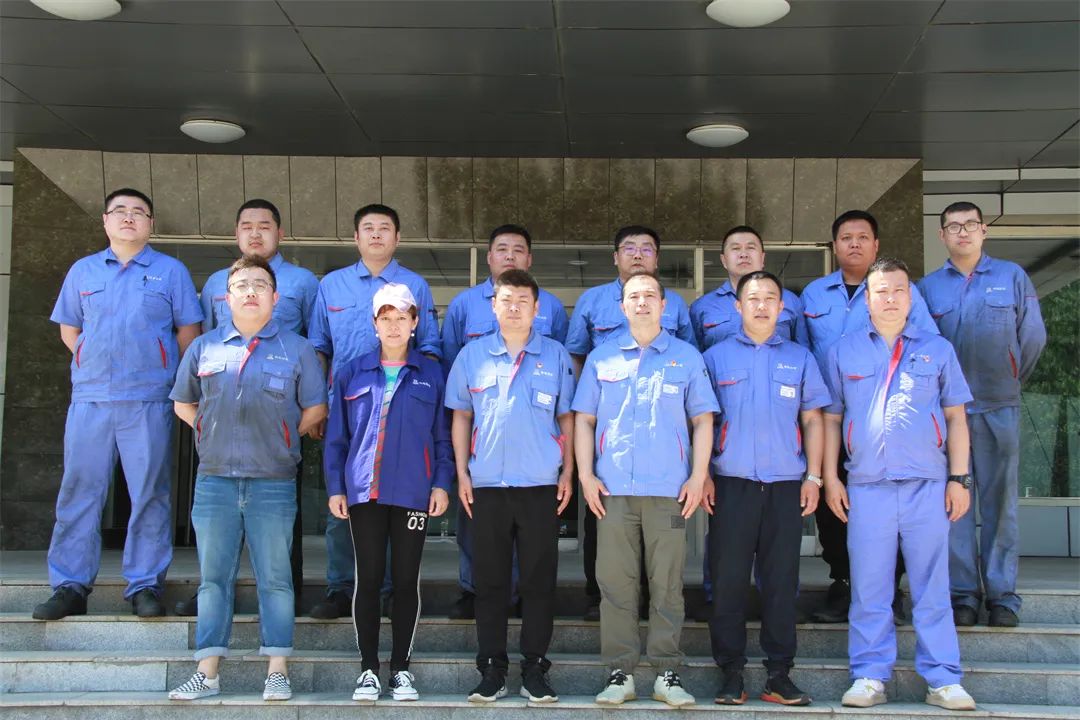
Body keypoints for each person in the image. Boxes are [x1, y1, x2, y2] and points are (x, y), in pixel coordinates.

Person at [34, 188, 202, 622]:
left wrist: (163, 372)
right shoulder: (83, 270)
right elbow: (70, 330)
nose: (129, 218)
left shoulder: (171, 271)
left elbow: (188, 333)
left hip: (147, 399)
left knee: (149, 493)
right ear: (105, 221)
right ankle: (70, 585)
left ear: (151, 224)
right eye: (120, 211)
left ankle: (144, 585)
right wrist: (91, 360)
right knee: (79, 491)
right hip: (91, 399)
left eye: (139, 212)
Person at [167, 256, 328, 702]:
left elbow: (316, 407)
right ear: (227, 297)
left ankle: (277, 670)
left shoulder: (297, 348)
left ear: (275, 297)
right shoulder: (205, 347)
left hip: (273, 481)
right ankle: (207, 672)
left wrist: (279, 435)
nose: (251, 291)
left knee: (275, 578)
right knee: (212, 579)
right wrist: (208, 431)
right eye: (242, 285)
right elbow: (183, 402)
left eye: (260, 284)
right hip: (215, 481)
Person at [823, 257, 976, 712]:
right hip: (867, 486)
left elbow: (956, 418)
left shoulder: (937, 349)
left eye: (898, 290)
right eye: (881, 291)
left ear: (910, 298)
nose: (890, 298)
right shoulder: (843, 351)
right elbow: (830, 420)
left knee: (932, 586)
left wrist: (959, 478)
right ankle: (869, 675)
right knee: (870, 587)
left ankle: (943, 678)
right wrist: (830, 477)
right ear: (866, 300)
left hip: (927, 485)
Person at [573, 271, 717, 708]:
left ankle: (666, 672)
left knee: (667, 584)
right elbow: (584, 420)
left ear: (663, 305)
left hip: (669, 491)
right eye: (633, 296)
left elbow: (703, 420)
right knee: (616, 584)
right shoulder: (602, 358)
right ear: (622, 306)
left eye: (649, 295)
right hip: (613, 490)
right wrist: (585, 476)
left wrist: (698, 475)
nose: (641, 302)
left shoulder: (686, 357)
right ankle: (620, 672)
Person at [176, 198, 319, 618]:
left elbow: (316, 342)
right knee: (218, 523)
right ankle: (211, 595)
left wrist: (297, 421)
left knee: (280, 523)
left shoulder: (304, 281)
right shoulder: (217, 281)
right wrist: (206, 424)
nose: (255, 233)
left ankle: (286, 595)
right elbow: (207, 344)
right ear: (236, 233)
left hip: (278, 419)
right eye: (247, 226)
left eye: (264, 225)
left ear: (280, 233)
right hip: (223, 425)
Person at [800, 209, 938, 624]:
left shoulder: (900, 291)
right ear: (834, 246)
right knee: (833, 505)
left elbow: (926, 343)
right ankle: (843, 583)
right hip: (828, 418)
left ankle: (889, 590)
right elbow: (802, 353)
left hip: (883, 420)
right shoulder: (814, 294)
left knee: (888, 508)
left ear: (876, 245)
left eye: (863, 237)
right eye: (846, 237)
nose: (854, 244)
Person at [445, 269, 575, 704]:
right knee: (490, 583)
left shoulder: (555, 355)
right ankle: (492, 669)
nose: (514, 307)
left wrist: (568, 472)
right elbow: (461, 416)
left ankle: (535, 668)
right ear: (494, 306)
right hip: (487, 485)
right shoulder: (472, 355)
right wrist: (462, 473)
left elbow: (567, 418)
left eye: (523, 300)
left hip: (540, 485)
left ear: (537, 309)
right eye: (507, 300)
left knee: (539, 581)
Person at [307, 203, 441, 620]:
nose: (377, 234)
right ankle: (340, 588)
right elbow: (319, 348)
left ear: (398, 238)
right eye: (368, 228)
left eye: (385, 228)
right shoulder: (332, 285)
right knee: (345, 501)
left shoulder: (415, 285)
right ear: (356, 237)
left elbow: (430, 348)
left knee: (395, 502)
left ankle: (387, 592)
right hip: (350, 410)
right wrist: (319, 406)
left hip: (403, 410)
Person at [701, 270, 828, 706]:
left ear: (781, 307)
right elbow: (702, 422)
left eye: (770, 298)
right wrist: (703, 474)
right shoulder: (714, 358)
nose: (761, 305)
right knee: (728, 581)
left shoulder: (800, 358)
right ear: (738, 306)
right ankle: (730, 672)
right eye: (753, 298)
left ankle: (779, 674)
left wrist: (814, 476)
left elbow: (813, 420)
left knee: (781, 582)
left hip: (785, 486)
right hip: (731, 485)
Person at [919, 201, 1046, 628]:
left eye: (970, 225)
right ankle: (963, 595)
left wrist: (1010, 377)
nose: (963, 232)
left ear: (984, 230)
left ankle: (1002, 596)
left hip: (999, 406)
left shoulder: (1011, 276)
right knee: (953, 504)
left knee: (1000, 503)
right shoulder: (928, 288)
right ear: (941, 235)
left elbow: (1033, 336)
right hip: (946, 413)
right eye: (953, 226)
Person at [324, 283, 453, 702]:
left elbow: (443, 437)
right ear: (374, 324)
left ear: (414, 323)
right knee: (368, 579)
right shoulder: (352, 372)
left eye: (401, 318)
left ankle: (401, 669)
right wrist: (335, 487)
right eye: (386, 318)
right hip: (365, 493)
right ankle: (368, 669)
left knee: (405, 580)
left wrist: (441, 482)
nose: (394, 325)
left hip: (413, 492)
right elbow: (337, 439)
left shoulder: (432, 374)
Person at [566, 225, 697, 621]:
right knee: (603, 525)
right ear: (615, 257)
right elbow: (577, 358)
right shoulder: (591, 301)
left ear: (657, 258)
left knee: (658, 540)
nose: (638, 254)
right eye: (629, 248)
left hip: (660, 441)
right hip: (611, 432)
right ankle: (599, 598)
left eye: (646, 248)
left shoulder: (676, 305)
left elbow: (688, 361)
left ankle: (648, 604)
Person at [440, 224, 569, 620]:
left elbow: (562, 385)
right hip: (484, 448)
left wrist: (567, 468)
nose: (510, 255)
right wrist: (460, 465)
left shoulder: (552, 309)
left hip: (536, 460)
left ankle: (525, 597)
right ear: (489, 257)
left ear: (529, 258)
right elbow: (452, 368)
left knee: (533, 545)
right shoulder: (464, 305)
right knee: (476, 530)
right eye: (501, 248)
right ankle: (472, 589)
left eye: (518, 249)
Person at [688, 224, 808, 622]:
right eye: (735, 248)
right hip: (730, 453)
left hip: (781, 455)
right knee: (727, 555)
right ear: (723, 259)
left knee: (780, 558)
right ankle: (717, 604)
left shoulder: (792, 307)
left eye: (751, 247)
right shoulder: (703, 309)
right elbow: (698, 391)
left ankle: (779, 623)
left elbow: (806, 381)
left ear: (763, 255)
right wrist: (702, 469)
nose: (743, 253)